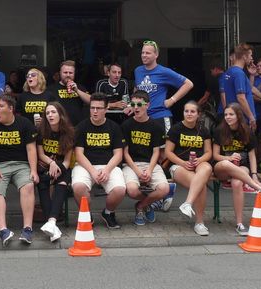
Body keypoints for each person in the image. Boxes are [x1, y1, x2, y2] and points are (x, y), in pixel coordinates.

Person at [0, 94, 39, 246]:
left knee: (28, 185)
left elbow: (31, 149)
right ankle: (3, 230)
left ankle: (27, 229)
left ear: (11, 108)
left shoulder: (25, 124)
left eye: (0, 106)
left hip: (21, 165)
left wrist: (33, 170)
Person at [212, 103, 261, 236]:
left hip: (242, 167)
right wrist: (229, 158)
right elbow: (215, 155)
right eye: (226, 114)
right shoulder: (219, 130)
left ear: (238, 116)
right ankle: (257, 188)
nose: (227, 117)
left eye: (231, 114)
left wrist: (254, 174)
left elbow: (252, 155)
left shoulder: (247, 131)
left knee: (237, 182)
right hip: (222, 167)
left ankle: (239, 223)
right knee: (226, 164)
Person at [72, 93, 127, 229]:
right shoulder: (81, 126)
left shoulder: (114, 127)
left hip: (108, 165)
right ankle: (86, 214)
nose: (95, 111)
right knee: (78, 187)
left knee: (120, 190)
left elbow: (118, 154)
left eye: (99, 108)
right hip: (85, 165)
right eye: (92, 108)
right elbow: (78, 154)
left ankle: (108, 212)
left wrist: (107, 170)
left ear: (106, 109)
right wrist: (93, 171)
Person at [120, 91, 170, 226]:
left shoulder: (156, 126)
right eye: (133, 104)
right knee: (131, 190)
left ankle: (140, 206)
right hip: (131, 164)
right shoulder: (126, 125)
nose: (135, 108)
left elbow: (156, 152)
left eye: (139, 104)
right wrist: (137, 171)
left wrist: (149, 170)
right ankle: (148, 204)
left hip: (150, 164)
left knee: (164, 189)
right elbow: (125, 153)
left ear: (147, 105)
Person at [165, 100, 213, 236]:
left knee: (207, 167)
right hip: (179, 165)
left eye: (192, 111)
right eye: (186, 111)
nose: (189, 114)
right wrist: (182, 163)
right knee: (200, 185)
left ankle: (188, 203)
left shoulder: (203, 130)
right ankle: (199, 222)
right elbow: (168, 152)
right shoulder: (176, 129)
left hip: (198, 163)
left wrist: (200, 160)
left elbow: (208, 152)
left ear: (198, 114)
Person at [132, 40, 193, 132]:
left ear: (156, 55)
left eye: (148, 53)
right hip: (142, 117)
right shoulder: (138, 71)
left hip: (160, 116)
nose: (144, 55)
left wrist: (172, 100)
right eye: (142, 53)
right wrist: (132, 105)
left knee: (165, 142)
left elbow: (188, 84)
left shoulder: (164, 71)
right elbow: (137, 89)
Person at [36, 102, 74, 242]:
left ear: (60, 114)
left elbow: (67, 161)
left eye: (53, 112)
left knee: (62, 183)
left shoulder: (69, 133)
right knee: (43, 183)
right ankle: (52, 224)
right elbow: (40, 154)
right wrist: (51, 163)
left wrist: (58, 169)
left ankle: (51, 222)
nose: (50, 115)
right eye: (47, 113)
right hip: (45, 165)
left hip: (62, 167)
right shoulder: (41, 131)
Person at [220, 45, 257, 131]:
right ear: (244, 56)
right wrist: (251, 117)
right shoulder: (238, 73)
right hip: (242, 119)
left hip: (235, 116)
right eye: (250, 55)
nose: (251, 58)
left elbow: (248, 90)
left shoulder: (229, 72)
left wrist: (252, 75)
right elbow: (241, 98)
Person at [47, 60, 90, 125]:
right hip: (60, 126)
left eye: (70, 73)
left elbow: (91, 101)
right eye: (65, 72)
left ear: (74, 74)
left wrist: (77, 90)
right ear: (60, 73)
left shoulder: (80, 87)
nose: (68, 75)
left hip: (78, 126)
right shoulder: (51, 89)